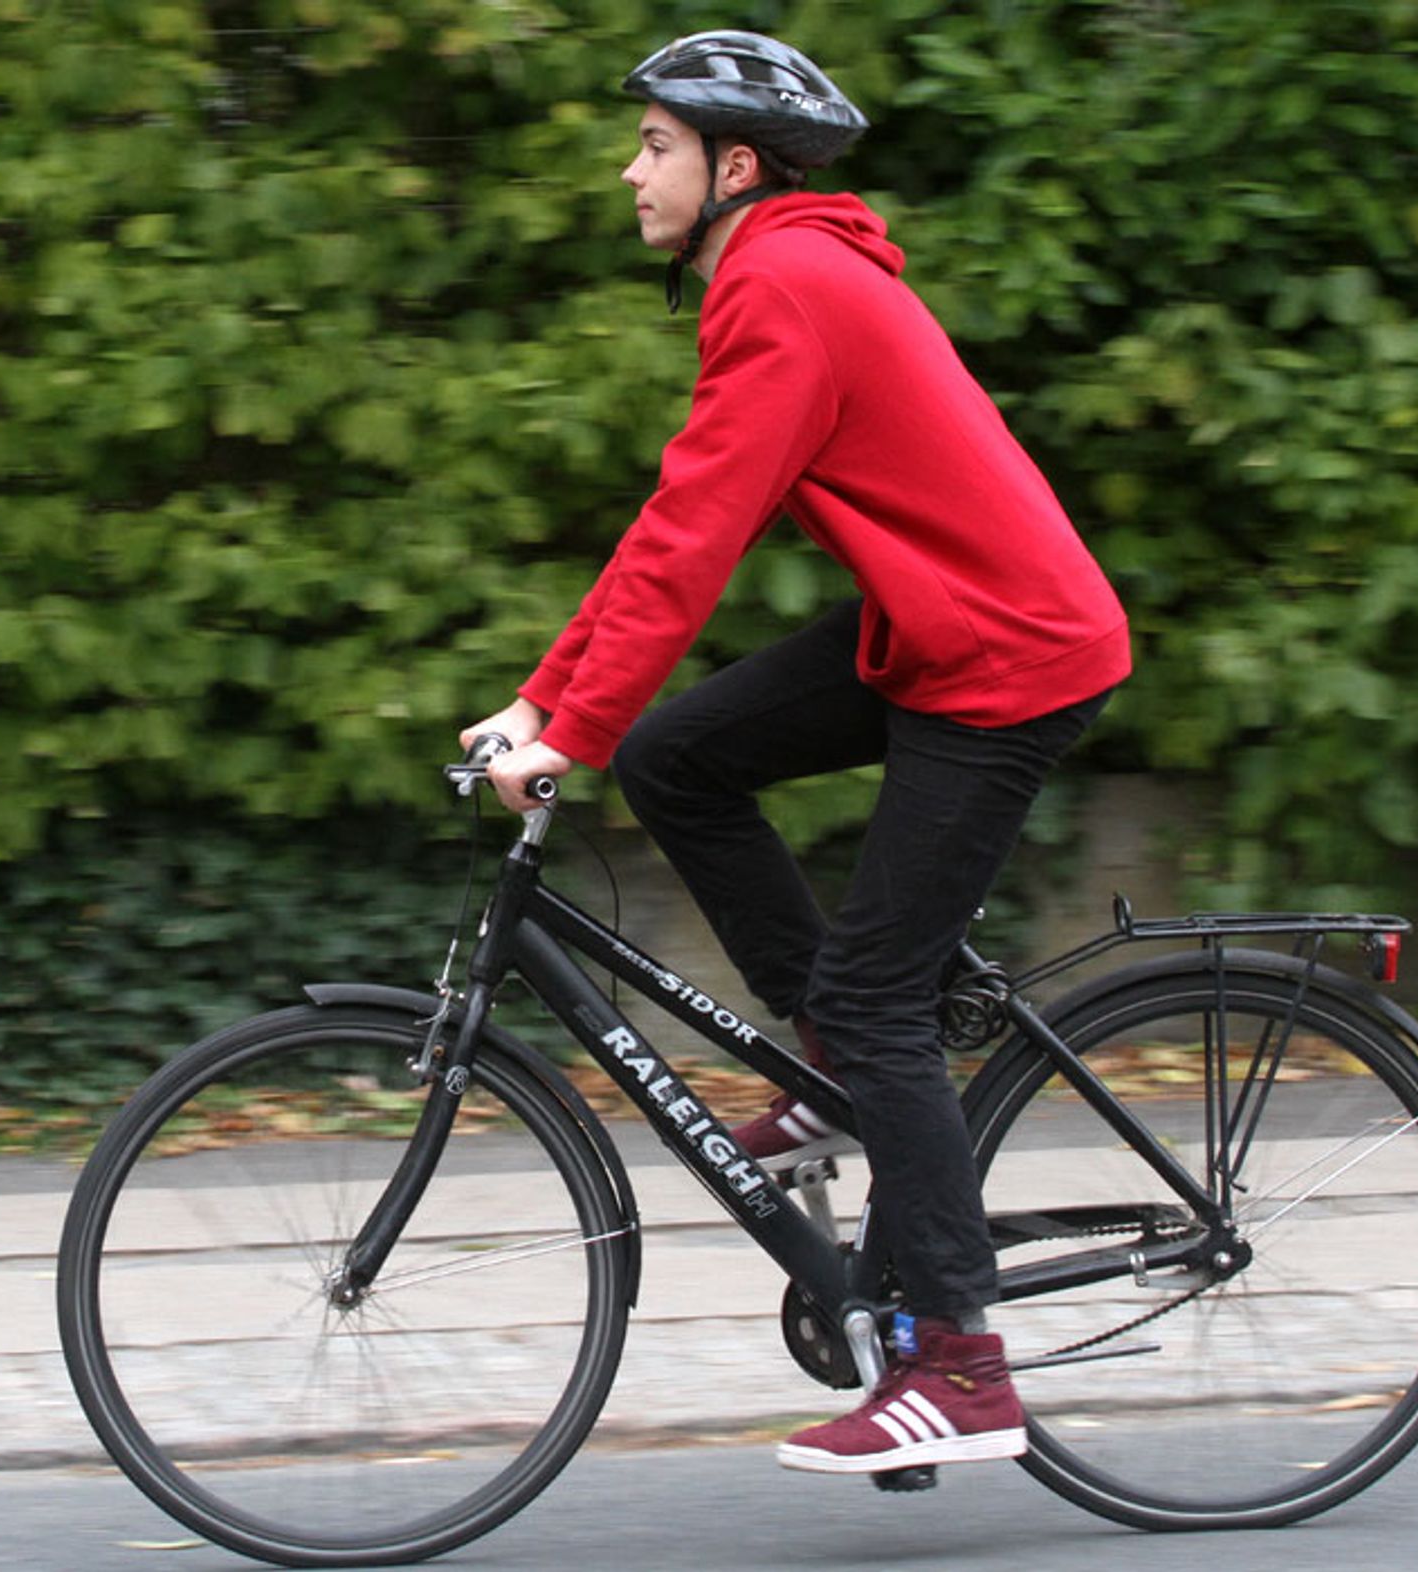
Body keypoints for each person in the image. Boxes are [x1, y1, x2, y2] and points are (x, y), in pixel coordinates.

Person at [459, 31, 1131, 1477]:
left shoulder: (788, 286)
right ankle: (832, 1065)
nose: (631, 167)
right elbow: (675, 529)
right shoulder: (783, 277)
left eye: (654, 144)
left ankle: (960, 1367)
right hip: (936, 625)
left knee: (886, 994)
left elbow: (690, 548)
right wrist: (547, 705)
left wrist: (560, 727)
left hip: (1006, 655)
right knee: (685, 759)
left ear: (733, 166)